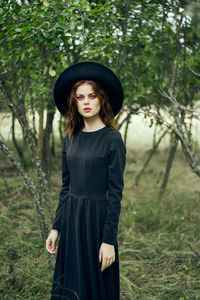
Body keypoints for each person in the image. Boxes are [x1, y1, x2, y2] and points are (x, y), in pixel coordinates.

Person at [46, 61, 126, 300]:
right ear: (74, 102)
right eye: (80, 97)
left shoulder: (112, 140)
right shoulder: (70, 138)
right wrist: (56, 227)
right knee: (72, 286)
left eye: (92, 96)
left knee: (95, 287)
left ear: (101, 99)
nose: (87, 102)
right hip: (72, 220)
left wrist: (108, 241)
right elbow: (66, 187)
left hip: (96, 222)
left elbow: (115, 194)